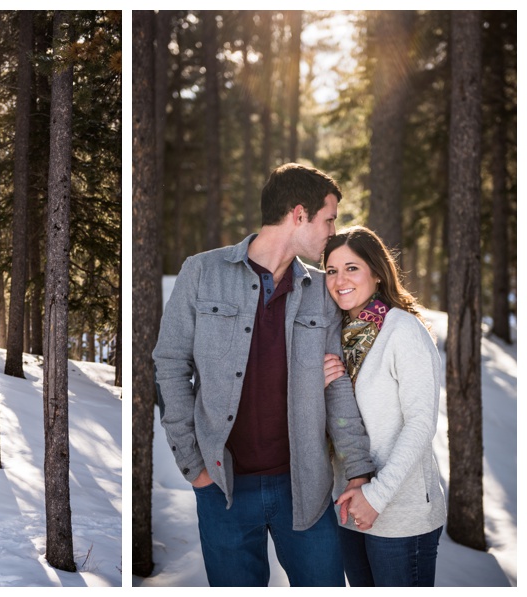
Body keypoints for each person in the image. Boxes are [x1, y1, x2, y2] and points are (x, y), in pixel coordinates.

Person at [153, 163, 375, 587]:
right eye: (328, 219)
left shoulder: (320, 293)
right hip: (223, 488)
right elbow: (169, 363)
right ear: (298, 214)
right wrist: (194, 467)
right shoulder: (202, 273)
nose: (333, 231)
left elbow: (337, 389)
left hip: (305, 489)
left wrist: (359, 468)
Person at [322, 226, 446, 586]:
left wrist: (375, 496)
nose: (339, 279)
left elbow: (421, 425)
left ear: (377, 273)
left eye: (352, 268)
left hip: (401, 515)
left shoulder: (403, 331)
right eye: (331, 270)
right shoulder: (337, 337)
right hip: (348, 506)